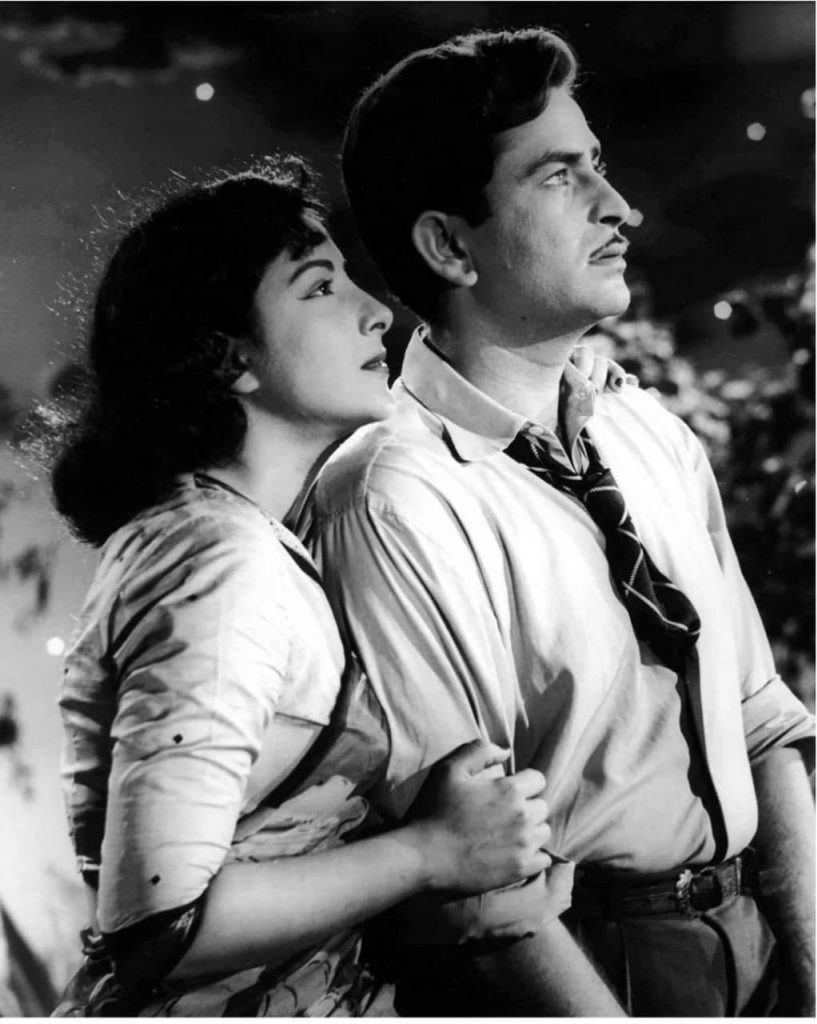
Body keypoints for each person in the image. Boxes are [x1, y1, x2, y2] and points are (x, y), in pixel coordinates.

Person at [300, 28, 816, 1017]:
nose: (618, 206)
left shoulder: (643, 428)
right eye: (557, 177)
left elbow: (761, 722)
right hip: (590, 967)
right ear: (449, 245)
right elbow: (482, 889)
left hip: (755, 934)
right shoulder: (392, 499)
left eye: (599, 165)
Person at [49, 158, 557, 1017]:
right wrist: (433, 852)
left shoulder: (238, 538)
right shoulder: (217, 562)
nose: (376, 310)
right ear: (229, 356)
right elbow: (160, 924)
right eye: (321, 287)